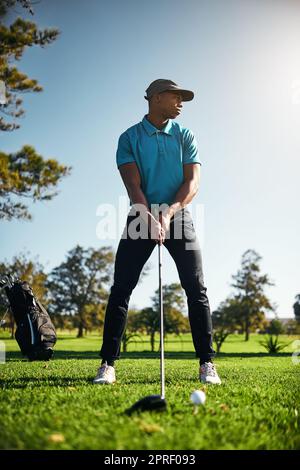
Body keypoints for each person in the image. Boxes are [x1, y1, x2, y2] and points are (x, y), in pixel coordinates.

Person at [93, 79, 221, 385]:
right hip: (141, 213)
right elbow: (133, 186)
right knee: (122, 288)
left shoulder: (185, 135)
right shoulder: (130, 138)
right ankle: (108, 364)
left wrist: (167, 214)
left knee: (196, 288)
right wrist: (150, 215)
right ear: (157, 97)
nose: (181, 103)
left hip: (178, 214)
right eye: (176, 97)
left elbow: (192, 183)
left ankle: (207, 364)